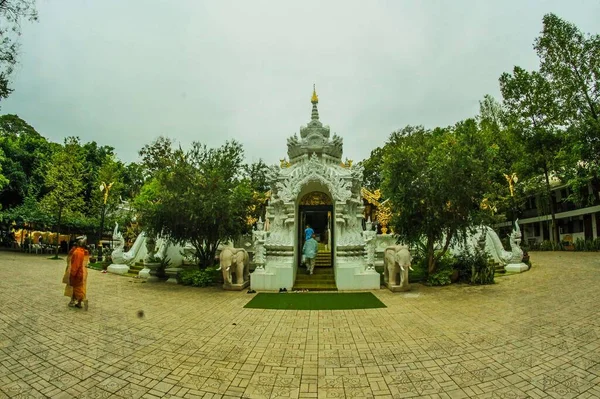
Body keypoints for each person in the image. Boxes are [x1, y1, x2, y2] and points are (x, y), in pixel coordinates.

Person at [63, 236, 89, 309]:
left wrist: (72, 274)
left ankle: (79, 300)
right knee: (81, 287)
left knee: (75, 287)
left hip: (78, 272)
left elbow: (75, 264)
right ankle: (79, 302)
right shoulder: (84, 251)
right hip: (83, 272)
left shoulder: (77, 252)